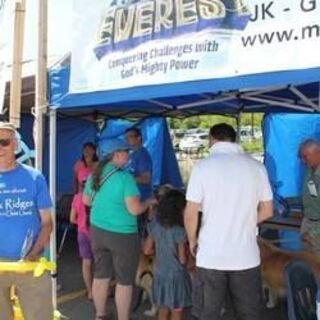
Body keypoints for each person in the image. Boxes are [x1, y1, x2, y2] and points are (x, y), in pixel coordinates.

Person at [184, 123, 273, 320]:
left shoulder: (202, 168)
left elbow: (190, 213)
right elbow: (268, 211)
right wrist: (248, 221)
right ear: (234, 139)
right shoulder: (257, 167)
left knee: (208, 314)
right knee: (248, 314)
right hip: (246, 255)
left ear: (211, 139)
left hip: (211, 254)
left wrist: (192, 240)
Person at [83, 138, 155, 320]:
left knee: (101, 275)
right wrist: (148, 202)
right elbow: (134, 209)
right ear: (116, 155)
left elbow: (86, 201)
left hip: (98, 232)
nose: (128, 155)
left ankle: (100, 315)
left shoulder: (95, 175)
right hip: (122, 235)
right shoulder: (125, 178)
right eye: (126, 152)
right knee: (124, 281)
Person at [0, 122, 53, 320]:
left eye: (4, 142)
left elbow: (47, 223)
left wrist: (34, 253)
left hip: (30, 261)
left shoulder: (34, 177)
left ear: (15, 144)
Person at [144, 189, 192, 320]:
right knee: (176, 310)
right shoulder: (179, 231)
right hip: (176, 278)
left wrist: (159, 252)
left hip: (160, 275)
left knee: (163, 308)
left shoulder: (155, 225)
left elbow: (147, 250)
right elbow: (182, 259)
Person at [126, 127, 152, 236]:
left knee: (138, 232)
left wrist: (126, 179)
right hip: (132, 197)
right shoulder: (132, 154)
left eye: (130, 137)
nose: (127, 140)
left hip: (141, 198)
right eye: (126, 138)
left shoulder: (143, 155)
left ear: (139, 138)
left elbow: (146, 179)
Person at [70, 179, 93, 300]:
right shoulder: (97, 197)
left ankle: (90, 291)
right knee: (102, 264)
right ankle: (102, 289)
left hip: (82, 233)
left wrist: (80, 223)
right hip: (96, 233)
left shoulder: (77, 198)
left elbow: (72, 218)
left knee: (86, 263)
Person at [298, 139, 320, 256]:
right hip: (308, 223)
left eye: (305, 156)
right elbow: (311, 195)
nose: (302, 160)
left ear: (318, 152)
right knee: (307, 262)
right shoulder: (309, 171)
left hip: (317, 227)